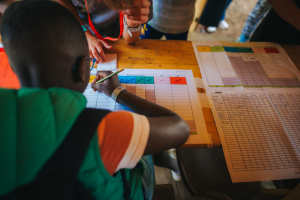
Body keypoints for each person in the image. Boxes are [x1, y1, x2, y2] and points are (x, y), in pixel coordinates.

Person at [0, 1, 190, 200]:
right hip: (122, 189)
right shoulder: (101, 130)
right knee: (145, 152)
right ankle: (160, 158)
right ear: (84, 69)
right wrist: (118, 92)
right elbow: (180, 128)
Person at [55, 0, 153, 63]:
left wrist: (132, 23)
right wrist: (85, 33)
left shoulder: (136, 3)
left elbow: (130, 40)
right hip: (76, 27)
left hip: (119, 35)